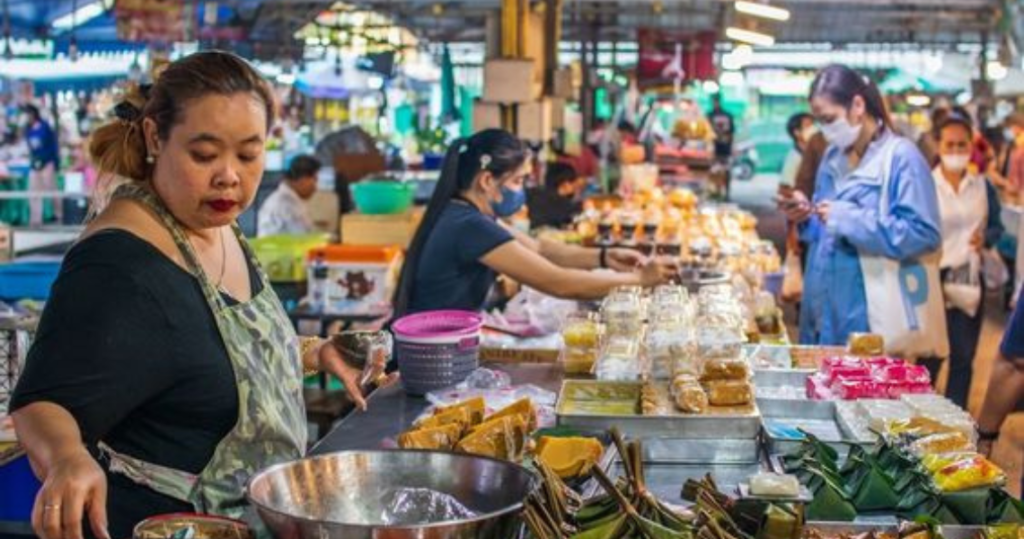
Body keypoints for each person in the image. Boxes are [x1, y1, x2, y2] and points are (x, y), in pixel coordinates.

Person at [10, 51, 383, 539]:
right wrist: (67, 458)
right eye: (204, 155)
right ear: (153, 137)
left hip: (260, 517)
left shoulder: (215, 223)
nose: (229, 175)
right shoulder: (118, 262)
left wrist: (316, 353)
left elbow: (206, 357)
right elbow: (40, 401)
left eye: (248, 155)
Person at [392, 129, 677, 317]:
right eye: (518, 181)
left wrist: (604, 256)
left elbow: (540, 249)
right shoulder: (468, 225)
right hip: (432, 354)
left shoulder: (469, 214)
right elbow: (559, 283)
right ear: (487, 180)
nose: (522, 190)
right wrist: (638, 280)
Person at [779, 64, 942, 346]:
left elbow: (924, 234)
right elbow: (825, 230)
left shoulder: (901, 158)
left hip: (869, 321)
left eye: (829, 119)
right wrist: (807, 216)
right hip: (821, 315)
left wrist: (848, 219)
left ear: (857, 105)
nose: (825, 130)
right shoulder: (832, 158)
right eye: (819, 121)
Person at [917, 110, 1004, 408]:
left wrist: (987, 238)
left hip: (969, 278)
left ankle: (954, 421)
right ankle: (918, 418)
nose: (956, 151)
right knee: (930, 354)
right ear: (938, 146)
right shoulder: (925, 185)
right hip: (932, 278)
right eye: (950, 145)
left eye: (962, 144)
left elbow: (997, 226)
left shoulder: (982, 186)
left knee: (964, 356)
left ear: (971, 145)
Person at [257, 154, 319, 236]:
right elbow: (303, 239)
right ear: (303, 179)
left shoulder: (288, 200)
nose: (315, 188)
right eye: (315, 180)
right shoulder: (285, 204)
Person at [23, 104, 62, 225]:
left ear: (33, 114)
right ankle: (35, 218)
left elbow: (54, 145)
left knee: (51, 188)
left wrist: (55, 162)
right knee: (33, 190)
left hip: (47, 162)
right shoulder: (27, 129)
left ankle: (58, 214)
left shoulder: (45, 127)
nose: (26, 116)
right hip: (35, 163)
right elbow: (30, 148)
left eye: (28, 113)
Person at [526, 162, 583, 230]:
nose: (576, 186)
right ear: (565, 183)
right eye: (573, 181)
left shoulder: (535, 192)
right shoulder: (563, 204)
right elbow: (570, 216)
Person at [780, 113, 816, 188]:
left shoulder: (814, 153)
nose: (814, 129)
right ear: (797, 132)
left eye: (813, 125)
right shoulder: (794, 158)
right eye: (808, 126)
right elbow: (785, 188)